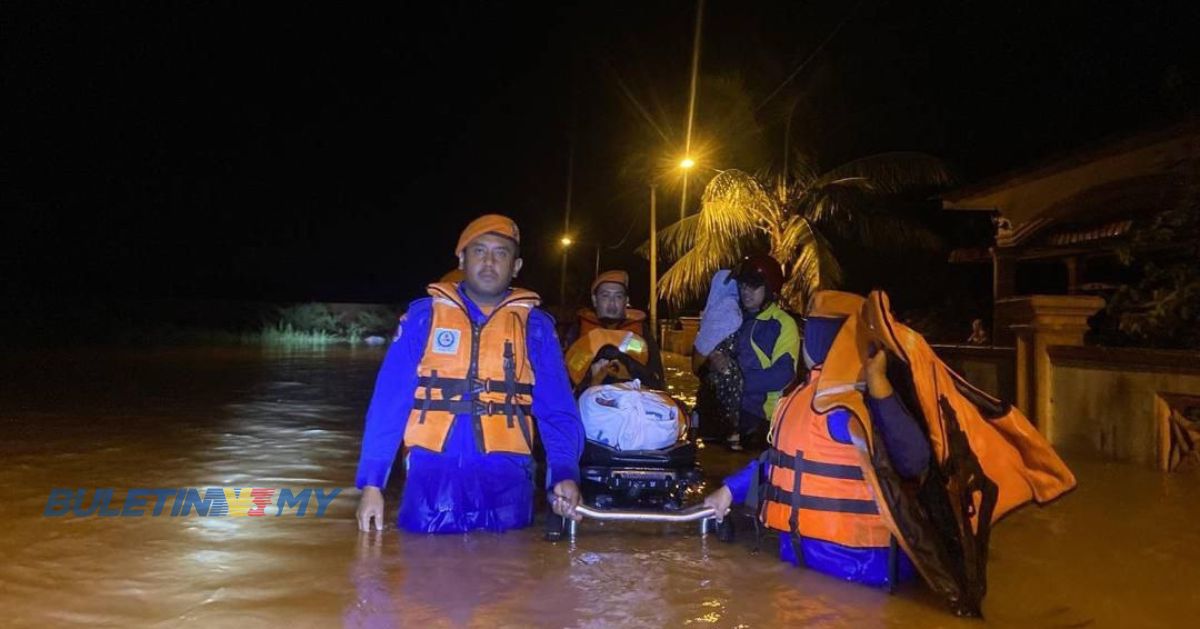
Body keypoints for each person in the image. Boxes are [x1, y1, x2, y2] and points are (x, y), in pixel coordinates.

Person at [705, 290, 1076, 616]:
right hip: (848, 572)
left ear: (813, 343)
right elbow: (909, 461)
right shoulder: (832, 402)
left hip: (829, 567)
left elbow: (780, 463)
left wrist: (729, 490)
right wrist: (729, 491)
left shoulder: (819, 401)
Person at [355, 214, 584, 534]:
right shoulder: (423, 317)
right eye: (479, 251)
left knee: (507, 577)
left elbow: (557, 410)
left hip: (507, 483)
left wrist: (564, 474)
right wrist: (372, 484)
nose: (489, 261)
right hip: (431, 483)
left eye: (501, 253)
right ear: (462, 258)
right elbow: (388, 405)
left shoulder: (536, 327)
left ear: (516, 266)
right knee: (420, 572)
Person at [718, 255, 799, 450]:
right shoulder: (733, 319)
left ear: (769, 289)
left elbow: (782, 375)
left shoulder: (782, 323)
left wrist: (734, 381)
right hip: (726, 414)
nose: (746, 291)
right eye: (744, 285)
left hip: (759, 418)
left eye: (754, 286)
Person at [562, 270, 665, 396]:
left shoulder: (641, 331)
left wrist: (626, 370)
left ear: (626, 301)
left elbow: (657, 380)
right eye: (605, 296)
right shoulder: (577, 330)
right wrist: (594, 377)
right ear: (595, 300)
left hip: (631, 401)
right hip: (589, 400)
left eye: (618, 297)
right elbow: (564, 379)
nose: (612, 304)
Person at [691, 269, 744, 442]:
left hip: (719, 375)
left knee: (715, 411)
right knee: (728, 416)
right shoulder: (735, 308)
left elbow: (701, 349)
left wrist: (702, 361)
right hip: (731, 373)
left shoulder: (721, 310)